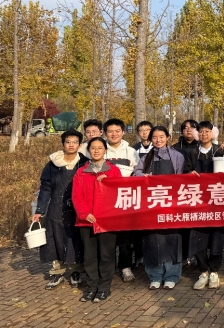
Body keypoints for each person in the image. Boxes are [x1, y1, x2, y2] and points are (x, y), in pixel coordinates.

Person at [183, 121, 224, 290]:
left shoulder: (219, 150)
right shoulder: (192, 152)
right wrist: (189, 174)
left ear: (213, 133)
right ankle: (203, 272)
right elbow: (185, 172)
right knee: (198, 236)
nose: (204, 134)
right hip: (198, 201)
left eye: (207, 131)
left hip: (218, 201)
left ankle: (214, 271)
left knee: (217, 236)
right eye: (201, 131)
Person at [33, 129, 88, 290]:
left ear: (79, 145)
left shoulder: (84, 163)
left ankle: (76, 271)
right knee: (55, 238)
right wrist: (40, 210)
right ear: (63, 144)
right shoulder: (53, 164)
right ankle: (57, 272)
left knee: (75, 238)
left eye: (75, 142)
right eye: (68, 142)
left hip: (77, 207)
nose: (71, 145)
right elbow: (46, 188)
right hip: (56, 206)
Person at [133, 126, 185, 290]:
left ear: (168, 137)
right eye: (155, 137)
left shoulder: (177, 156)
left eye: (161, 136)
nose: (158, 140)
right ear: (150, 139)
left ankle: (172, 275)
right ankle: (154, 275)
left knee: (172, 239)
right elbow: (136, 174)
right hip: (151, 205)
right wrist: (143, 176)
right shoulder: (146, 157)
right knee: (151, 239)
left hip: (172, 204)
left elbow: (182, 179)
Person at [72, 137, 122, 302]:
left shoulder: (113, 171)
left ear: (105, 150)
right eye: (93, 148)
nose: (96, 151)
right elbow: (77, 196)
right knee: (89, 256)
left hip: (107, 221)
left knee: (106, 255)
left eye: (100, 148)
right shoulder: (81, 172)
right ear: (88, 151)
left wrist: (109, 182)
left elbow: (120, 193)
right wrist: (84, 213)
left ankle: (104, 287)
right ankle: (91, 287)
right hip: (87, 221)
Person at [103, 118, 140, 283]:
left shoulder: (131, 151)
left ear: (123, 132)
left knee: (125, 236)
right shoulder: (100, 149)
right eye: (110, 131)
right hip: (105, 200)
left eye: (117, 131)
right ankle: (108, 268)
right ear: (105, 133)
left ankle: (125, 267)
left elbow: (138, 172)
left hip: (125, 198)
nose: (114, 134)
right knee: (107, 236)